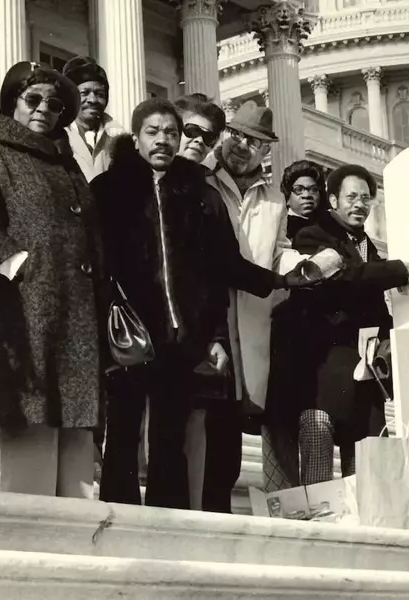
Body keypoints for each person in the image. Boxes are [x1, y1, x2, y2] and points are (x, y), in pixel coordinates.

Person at [91, 98, 312, 509]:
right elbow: (95, 261)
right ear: (136, 137)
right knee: (122, 433)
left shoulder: (198, 193)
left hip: (182, 337)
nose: (164, 140)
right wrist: (107, 315)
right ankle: (119, 519)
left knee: (169, 440)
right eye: (154, 132)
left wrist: (276, 283)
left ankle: (168, 525)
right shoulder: (107, 190)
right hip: (129, 330)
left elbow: (222, 267)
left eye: (171, 133)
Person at [0, 61, 102, 499]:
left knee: (77, 471)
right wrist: (26, 272)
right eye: (33, 99)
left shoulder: (68, 164)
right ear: (13, 102)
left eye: (55, 104)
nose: (45, 110)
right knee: (30, 462)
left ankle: (77, 559)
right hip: (25, 318)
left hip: (74, 326)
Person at [269, 164, 409, 486]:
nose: (360, 204)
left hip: (364, 376)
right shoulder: (313, 234)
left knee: (369, 479)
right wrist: (398, 269)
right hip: (323, 378)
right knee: (319, 480)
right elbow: (342, 279)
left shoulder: (365, 242)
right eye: (352, 197)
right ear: (333, 200)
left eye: (366, 198)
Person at [204, 101, 309, 495]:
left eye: (255, 141)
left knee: (229, 441)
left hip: (248, 325)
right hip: (209, 322)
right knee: (201, 429)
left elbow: (278, 251)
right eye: (238, 135)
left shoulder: (274, 201)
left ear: (267, 151)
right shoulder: (203, 180)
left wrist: (304, 265)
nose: (243, 146)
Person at [168, 93, 234, 511]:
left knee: (194, 430)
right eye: (190, 131)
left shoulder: (209, 197)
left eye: (207, 139)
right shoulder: (135, 181)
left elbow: (223, 271)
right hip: (147, 331)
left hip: (195, 332)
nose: (197, 142)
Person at [62, 56, 123, 182]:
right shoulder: (58, 135)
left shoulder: (119, 138)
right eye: (84, 93)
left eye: (100, 94)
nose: (93, 100)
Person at [282, 160, 329, 239]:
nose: (307, 195)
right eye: (299, 189)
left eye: (313, 189)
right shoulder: (280, 226)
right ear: (288, 196)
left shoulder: (330, 226)